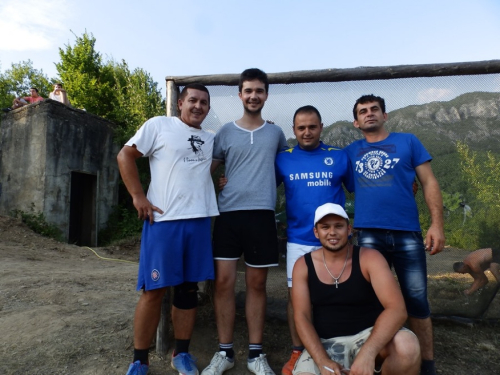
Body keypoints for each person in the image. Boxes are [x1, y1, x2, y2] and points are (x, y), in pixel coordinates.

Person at [117, 83, 219, 375]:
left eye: (203, 102)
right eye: (193, 100)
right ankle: (139, 360)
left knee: (188, 290)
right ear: (180, 104)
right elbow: (124, 156)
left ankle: (182, 354)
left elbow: (199, 169)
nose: (198, 106)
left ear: (208, 108)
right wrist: (138, 196)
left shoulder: (211, 138)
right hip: (163, 222)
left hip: (199, 221)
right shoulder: (159, 126)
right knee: (154, 290)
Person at [344, 94, 445, 375]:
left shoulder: (408, 141)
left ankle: (427, 364)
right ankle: (375, 354)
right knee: (371, 299)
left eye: (374, 109)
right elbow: (322, 168)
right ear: (356, 122)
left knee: (416, 298)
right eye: (362, 111)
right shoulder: (351, 151)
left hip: (407, 233)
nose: (369, 114)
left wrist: (437, 225)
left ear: (385, 115)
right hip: (367, 235)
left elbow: (429, 182)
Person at [202, 68, 288, 375]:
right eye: (248, 90)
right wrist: (219, 185)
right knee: (223, 283)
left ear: (266, 94)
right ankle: (224, 352)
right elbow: (205, 172)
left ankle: (255, 354)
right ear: (240, 95)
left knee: (257, 285)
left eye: (259, 91)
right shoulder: (224, 132)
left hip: (262, 215)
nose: (253, 96)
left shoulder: (276, 134)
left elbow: (284, 169)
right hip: (228, 216)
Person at [292, 203, 420, 375]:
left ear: (349, 229)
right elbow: (302, 317)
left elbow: (397, 309)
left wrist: (368, 353)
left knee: (407, 346)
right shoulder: (303, 265)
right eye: (325, 227)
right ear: (316, 232)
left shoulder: (370, 258)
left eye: (339, 226)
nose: (332, 232)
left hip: (369, 336)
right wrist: (322, 361)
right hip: (327, 344)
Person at [274, 105, 354, 375]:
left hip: (334, 239)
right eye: (301, 128)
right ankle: (297, 351)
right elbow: (260, 184)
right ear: (294, 130)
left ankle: (339, 345)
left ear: (321, 127)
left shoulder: (339, 156)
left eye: (312, 127)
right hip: (298, 238)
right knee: (296, 299)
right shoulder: (282, 158)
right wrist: (226, 180)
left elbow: (360, 189)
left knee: (339, 292)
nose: (306, 132)